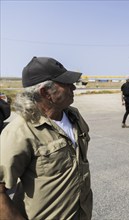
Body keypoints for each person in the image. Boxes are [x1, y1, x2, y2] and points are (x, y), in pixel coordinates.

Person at [0, 57, 93, 220]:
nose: (73, 87)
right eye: (66, 83)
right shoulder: (19, 132)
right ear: (45, 92)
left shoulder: (74, 115)